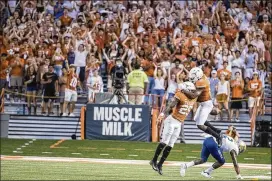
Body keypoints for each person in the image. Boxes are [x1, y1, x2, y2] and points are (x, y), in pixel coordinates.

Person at [150, 82, 197, 175]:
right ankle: (154, 160)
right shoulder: (180, 94)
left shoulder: (194, 97)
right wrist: (163, 113)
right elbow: (171, 105)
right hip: (172, 121)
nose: (193, 92)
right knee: (165, 142)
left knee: (171, 145)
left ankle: (160, 164)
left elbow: (196, 94)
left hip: (179, 123)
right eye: (191, 90)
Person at [182, 67, 222, 146]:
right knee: (196, 120)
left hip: (206, 104)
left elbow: (194, 95)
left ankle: (217, 136)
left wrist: (184, 91)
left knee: (200, 125)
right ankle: (216, 130)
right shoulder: (202, 76)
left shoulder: (201, 81)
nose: (192, 78)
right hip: (203, 103)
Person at [180, 133, 246, 179]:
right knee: (222, 161)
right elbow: (235, 162)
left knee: (203, 159)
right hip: (213, 143)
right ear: (240, 147)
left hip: (208, 139)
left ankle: (185, 166)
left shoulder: (232, 141)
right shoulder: (235, 148)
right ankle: (206, 172)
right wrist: (238, 174)